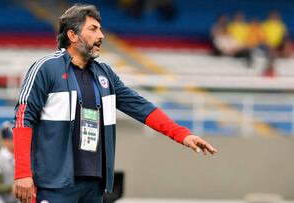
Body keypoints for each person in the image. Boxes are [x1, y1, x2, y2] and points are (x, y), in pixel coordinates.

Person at [13, 4, 218, 203]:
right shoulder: (46, 68)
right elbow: (23, 118)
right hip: (54, 184)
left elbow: (141, 107)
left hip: (94, 183)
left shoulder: (105, 74)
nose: (101, 36)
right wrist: (22, 172)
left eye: (100, 29)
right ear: (72, 36)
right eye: (93, 29)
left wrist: (182, 134)